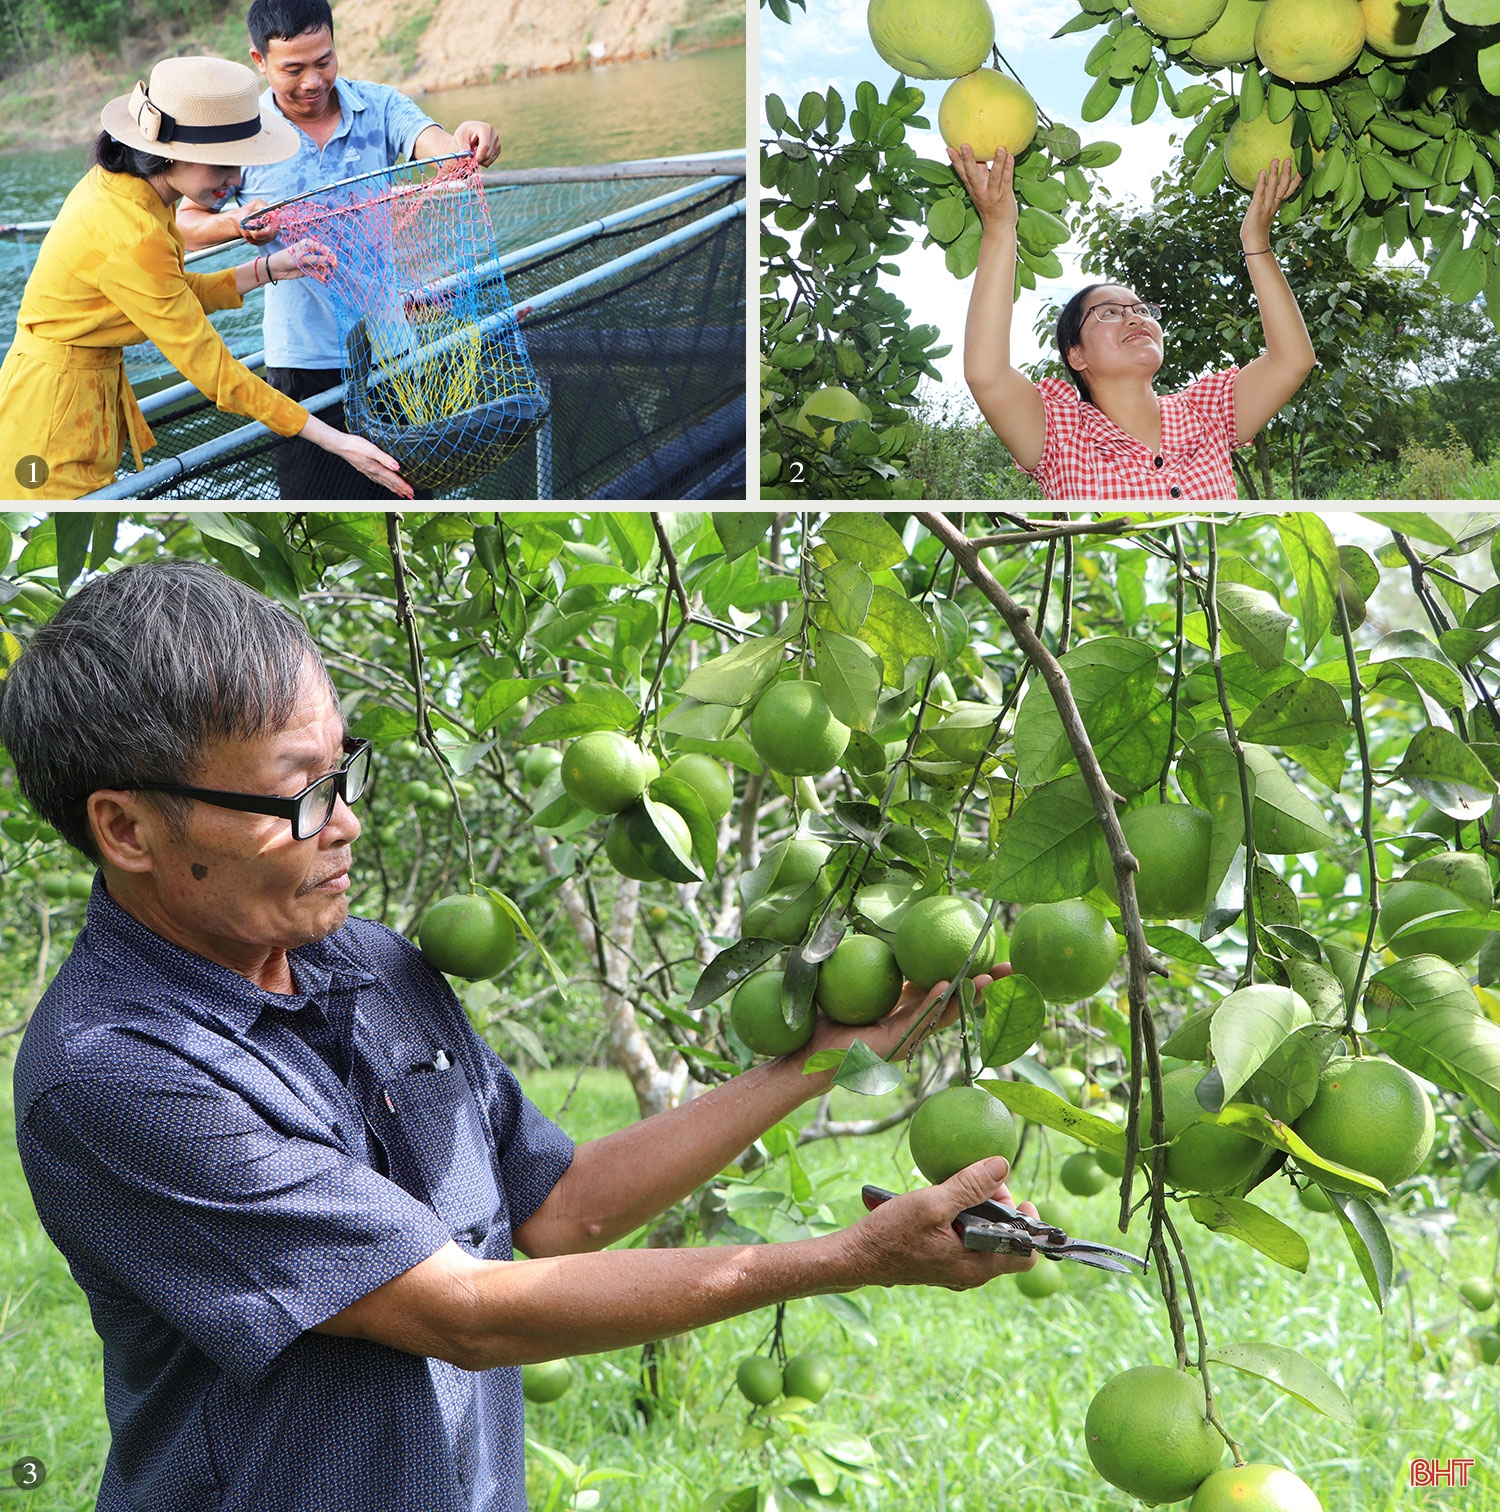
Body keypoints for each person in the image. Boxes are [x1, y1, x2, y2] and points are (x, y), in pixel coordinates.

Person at [4, 558, 1034, 1512]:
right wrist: (845, 1257)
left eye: (345, 770)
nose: (349, 822)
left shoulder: (371, 962)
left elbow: (561, 1208)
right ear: (128, 830)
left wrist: (825, 1059)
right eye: (300, 795)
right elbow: (463, 1313)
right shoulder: (113, 1074)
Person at [0, 56, 412, 501]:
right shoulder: (131, 230)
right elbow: (217, 373)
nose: (235, 181)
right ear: (172, 153)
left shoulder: (135, 189)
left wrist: (269, 267)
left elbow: (168, 292)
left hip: (80, 398)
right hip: (48, 423)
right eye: (222, 166)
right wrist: (339, 442)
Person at [177, 0, 504, 499]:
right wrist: (236, 222)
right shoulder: (242, 134)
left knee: (409, 491)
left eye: (324, 61)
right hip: (304, 357)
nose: (312, 81)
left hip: (393, 346)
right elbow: (183, 224)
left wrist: (465, 144)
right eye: (293, 68)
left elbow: (434, 143)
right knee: (314, 506)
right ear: (259, 61)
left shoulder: (379, 105)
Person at [950, 143, 1318, 501]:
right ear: (1076, 355)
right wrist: (999, 228)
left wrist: (1255, 240)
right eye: (1109, 312)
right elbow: (986, 374)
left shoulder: (1208, 413)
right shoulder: (1060, 433)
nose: (1133, 317)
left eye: (1142, 310)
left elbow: (1292, 360)